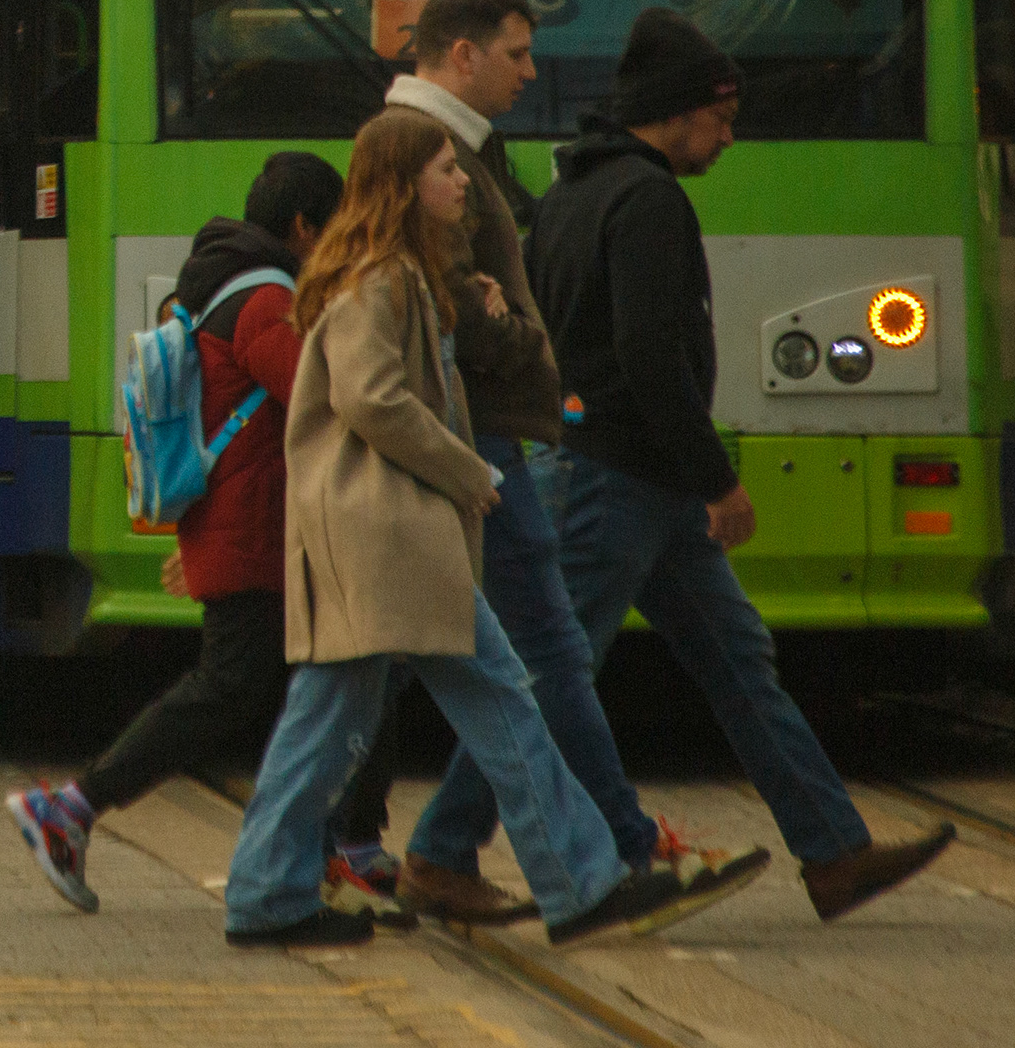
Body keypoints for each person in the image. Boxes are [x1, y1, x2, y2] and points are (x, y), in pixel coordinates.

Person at [218, 111, 724, 951]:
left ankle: (268, 893)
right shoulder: (378, 277)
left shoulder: (392, 274)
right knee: (500, 703)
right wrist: (467, 470)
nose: (462, 182)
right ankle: (582, 882)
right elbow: (371, 397)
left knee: (337, 721)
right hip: (391, 533)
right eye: (446, 169)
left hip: (385, 536)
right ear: (404, 184)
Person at [528, 9, 954, 920]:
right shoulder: (645, 200)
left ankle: (833, 851)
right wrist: (716, 477)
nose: (728, 136)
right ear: (676, 112)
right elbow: (648, 356)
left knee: (734, 658)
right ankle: (446, 849)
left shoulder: (571, 195)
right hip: (620, 476)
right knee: (552, 672)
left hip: (639, 480)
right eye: (720, 118)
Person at [379, 0, 763, 922]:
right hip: (482, 443)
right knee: (518, 661)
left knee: (518, 662)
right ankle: (603, 861)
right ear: (463, 55)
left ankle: (545, 857)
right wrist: (507, 332)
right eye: (517, 52)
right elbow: (417, 299)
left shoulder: (464, 150)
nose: (532, 72)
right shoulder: (421, 153)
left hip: (500, 441)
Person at [1, 153, 404, 909]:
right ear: (302, 227)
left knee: (330, 682)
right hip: (258, 534)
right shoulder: (263, 302)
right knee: (263, 684)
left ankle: (337, 847)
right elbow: (323, 397)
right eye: (333, 234)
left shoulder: (225, 281)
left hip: (250, 527)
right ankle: (74, 808)